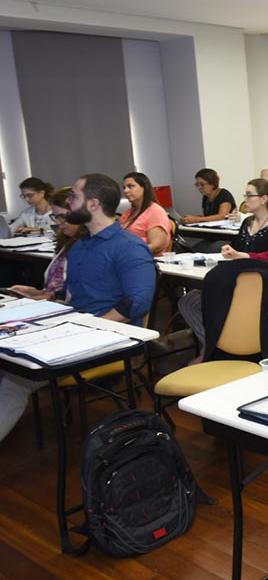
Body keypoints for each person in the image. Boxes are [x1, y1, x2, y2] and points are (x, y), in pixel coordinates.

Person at [0, 174, 156, 443]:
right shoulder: (81, 246)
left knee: (17, 380)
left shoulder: (129, 247)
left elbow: (137, 303)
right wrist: (41, 302)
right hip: (76, 329)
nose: (68, 202)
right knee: (7, 360)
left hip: (110, 338)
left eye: (74, 196)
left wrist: (89, 327)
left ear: (93, 204)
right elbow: (70, 297)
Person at [179, 178, 268, 351]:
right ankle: (213, 347)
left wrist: (239, 255)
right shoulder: (247, 222)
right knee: (188, 301)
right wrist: (229, 251)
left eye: (250, 195)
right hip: (235, 278)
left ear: (264, 199)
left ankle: (219, 348)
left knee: (202, 302)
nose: (245, 200)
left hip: (257, 283)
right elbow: (236, 248)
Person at [6, 188, 86, 301]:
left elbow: (76, 294)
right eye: (55, 217)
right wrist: (37, 293)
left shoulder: (88, 246)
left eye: (63, 217)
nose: (58, 223)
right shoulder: (66, 242)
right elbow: (57, 290)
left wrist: (44, 297)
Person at [119, 172, 172, 256]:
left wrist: (129, 252)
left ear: (144, 188)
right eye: (124, 187)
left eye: (130, 186)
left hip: (145, 260)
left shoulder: (155, 211)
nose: (126, 191)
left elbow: (157, 245)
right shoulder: (128, 213)